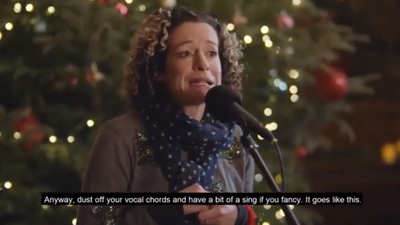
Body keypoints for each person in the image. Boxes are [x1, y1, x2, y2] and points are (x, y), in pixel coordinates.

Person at [76, 5, 256, 225]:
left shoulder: (238, 138)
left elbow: (249, 209)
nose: (202, 65)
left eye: (211, 53)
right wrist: (165, 212)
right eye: (186, 53)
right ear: (159, 68)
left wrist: (241, 216)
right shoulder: (121, 137)